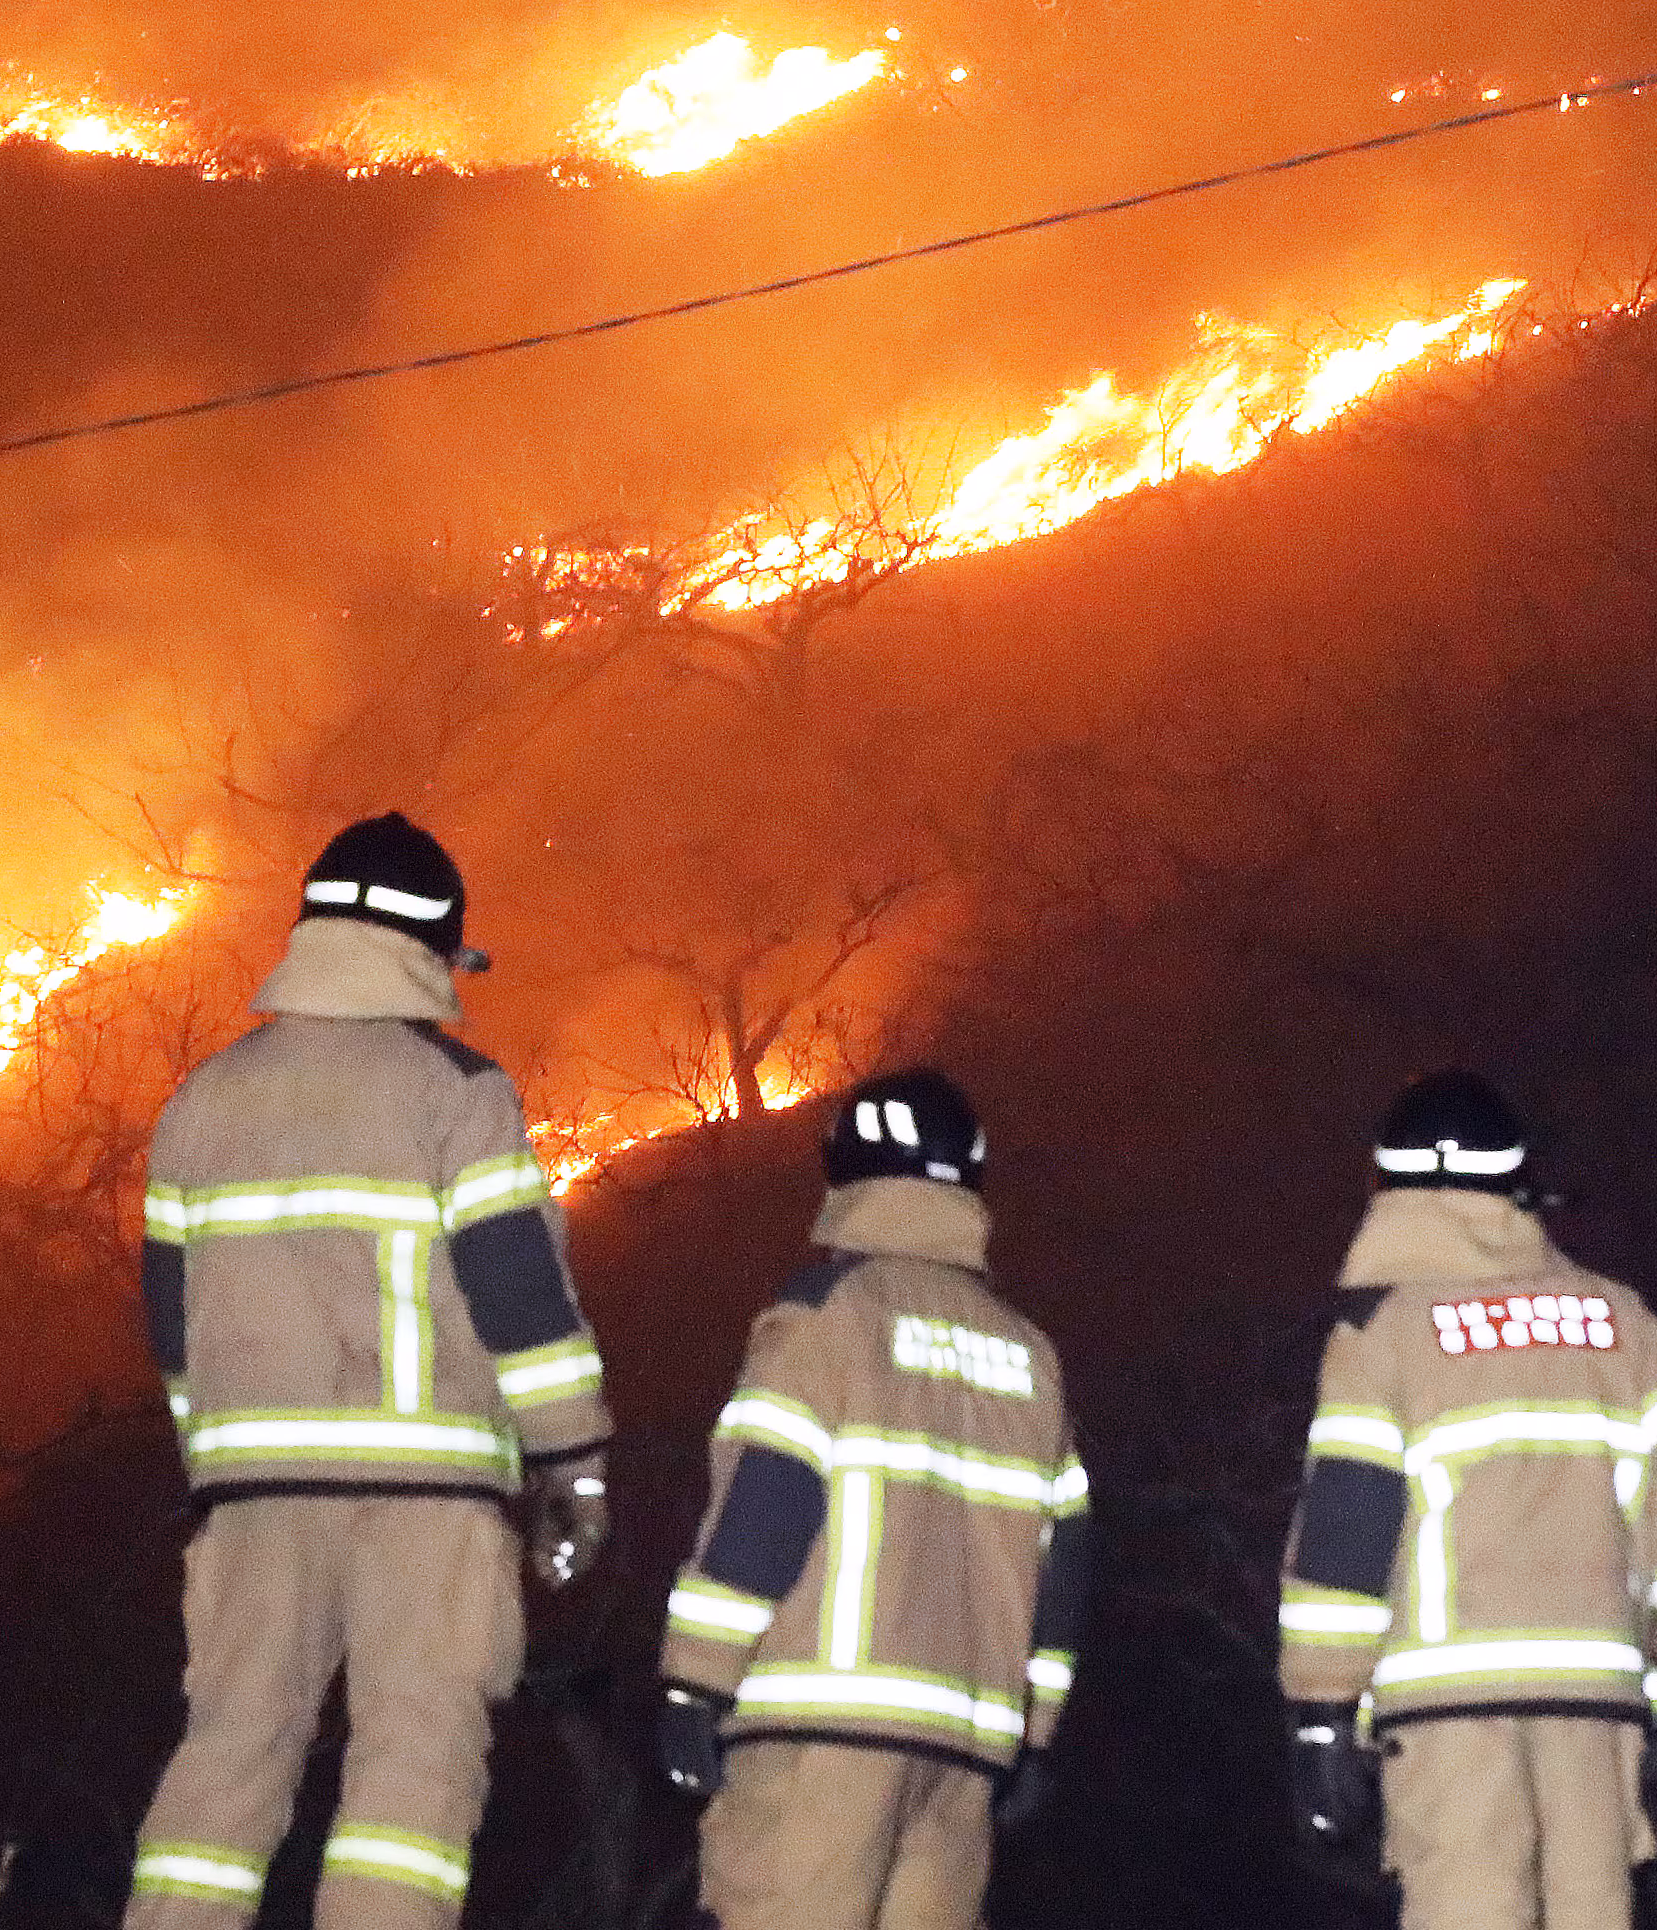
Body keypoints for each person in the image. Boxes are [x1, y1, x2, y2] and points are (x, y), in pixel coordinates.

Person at [126, 814, 617, 1930]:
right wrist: (572, 1466)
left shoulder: (203, 1101)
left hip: (252, 1500)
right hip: (426, 1501)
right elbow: (522, 1302)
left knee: (229, 1759)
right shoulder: (454, 1091)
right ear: (429, 951)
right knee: (415, 1767)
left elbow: (172, 1320)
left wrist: (217, 1456)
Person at [1275, 1070, 1657, 1930]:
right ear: (1517, 1185)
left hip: (1447, 1715)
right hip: (1598, 1702)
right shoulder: (1619, 1318)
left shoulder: (1385, 1329)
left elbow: (1346, 1527)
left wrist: (1321, 1714)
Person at [654, 1066, 1093, 1930]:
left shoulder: (829, 1315)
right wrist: (1035, 1735)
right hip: (962, 1760)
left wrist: (691, 1683)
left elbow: (764, 1509)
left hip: (820, 1734)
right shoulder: (1030, 1355)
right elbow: (1066, 1564)